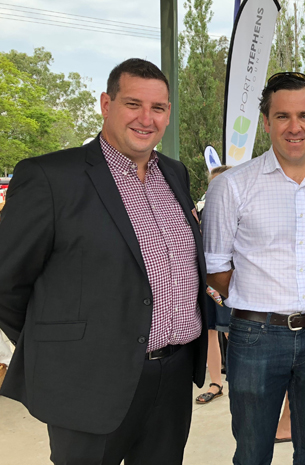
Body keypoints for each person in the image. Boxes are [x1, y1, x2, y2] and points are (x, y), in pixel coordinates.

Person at [0, 58, 208, 465]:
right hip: (87, 383)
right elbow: (6, 281)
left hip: (174, 377)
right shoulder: (50, 177)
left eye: (159, 108)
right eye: (133, 104)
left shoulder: (176, 174)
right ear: (105, 104)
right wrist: (62, 346)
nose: (146, 119)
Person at [202, 71, 305, 465]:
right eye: (282, 116)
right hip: (255, 336)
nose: (294, 127)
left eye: (304, 116)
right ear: (266, 123)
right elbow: (218, 271)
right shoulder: (232, 186)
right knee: (252, 454)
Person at [196, 165, 232, 405]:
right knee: (210, 331)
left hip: (232, 285)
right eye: (212, 186)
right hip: (207, 285)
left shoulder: (241, 211)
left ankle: (242, 380)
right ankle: (215, 383)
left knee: (236, 332)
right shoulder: (202, 212)